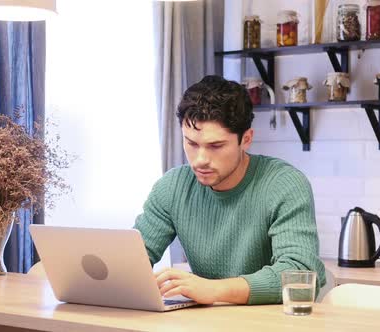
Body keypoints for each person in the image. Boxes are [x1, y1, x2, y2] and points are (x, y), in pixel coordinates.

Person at [134, 75, 325, 305]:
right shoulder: (173, 187)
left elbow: (300, 277)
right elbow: (133, 259)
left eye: (215, 146)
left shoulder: (285, 184)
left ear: (246, 139)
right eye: (191, 144)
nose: (200, 160)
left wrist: (213, 290)